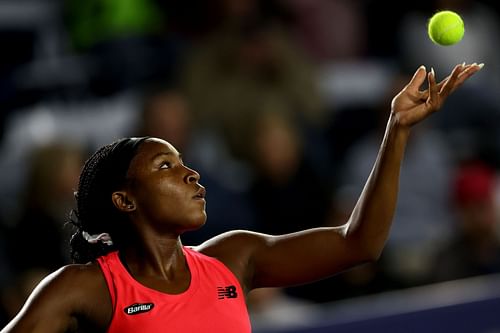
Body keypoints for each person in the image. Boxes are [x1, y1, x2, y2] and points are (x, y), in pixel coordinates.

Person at [1, 63, 481, 332]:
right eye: (166, 166)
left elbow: (359, 244)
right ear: (125, 200)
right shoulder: (85, 288)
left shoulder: (233, 258)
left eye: (185, 161)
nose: (190, 173)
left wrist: (395, 131)